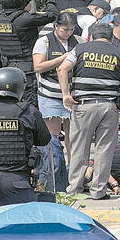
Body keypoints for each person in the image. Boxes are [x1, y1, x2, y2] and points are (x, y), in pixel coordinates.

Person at [57, 23, 120, 200]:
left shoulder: (80, 49)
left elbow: (62, 69)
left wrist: (66, 94)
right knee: (104, 149)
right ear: (111, 37)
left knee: (79, 148)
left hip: (83, 105)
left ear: (91, 36)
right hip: (109, 106)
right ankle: (98, 191)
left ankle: (75, 189)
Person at [32, 12, 83, 192]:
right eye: (64, 29)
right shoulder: (44, 41)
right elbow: (38, 66)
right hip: (49, 93)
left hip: (72, 94)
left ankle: (72, 175)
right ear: (56, 27)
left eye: (71, 29)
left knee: (73, 135)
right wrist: (63, 58)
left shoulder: (78, 40)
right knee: (52, 135)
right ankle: (53, 174)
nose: (68, 33)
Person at [0, 67, 50, 209]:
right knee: (27, 223)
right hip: (17, 182)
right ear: (20, 88)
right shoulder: (29, 111)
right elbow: (44, 140)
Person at [0, 0, 58, 107]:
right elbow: (53, 14)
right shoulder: (25, 19)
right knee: (30, 103)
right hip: (27, 67)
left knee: (14, 100)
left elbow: (13, 12)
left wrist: (26, 0)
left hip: (8, 66)